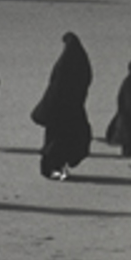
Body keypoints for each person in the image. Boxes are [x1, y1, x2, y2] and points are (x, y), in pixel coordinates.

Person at [31, 31, 92, 181]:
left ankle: (53, 169)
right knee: (70, 139)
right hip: (74, 109)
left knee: (55, 141)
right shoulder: (83, 62)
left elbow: (55, 86)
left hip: (58, 111)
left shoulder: (63, 64)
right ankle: (61, 167)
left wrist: (45, 108)